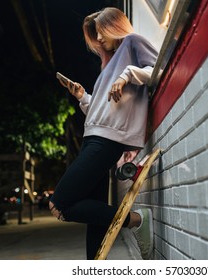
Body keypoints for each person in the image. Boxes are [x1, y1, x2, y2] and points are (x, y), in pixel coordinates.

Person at [49, 7, 158, 260]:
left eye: (101, 33)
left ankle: (136, 220)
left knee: (61, 204)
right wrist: (82, 97)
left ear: (115, 26)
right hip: (95, 139)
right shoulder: (108, 66)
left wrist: (127, 74)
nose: (98, 40)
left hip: (107, 141)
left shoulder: (132, 42)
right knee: (95, 224)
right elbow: (102, 112)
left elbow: (157, 71)